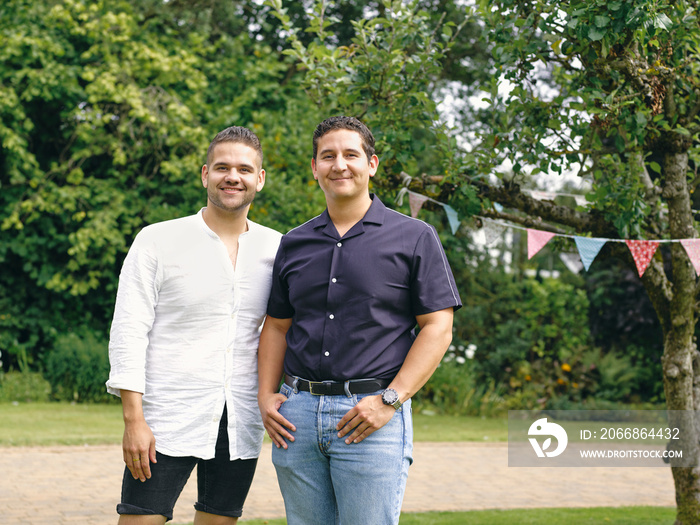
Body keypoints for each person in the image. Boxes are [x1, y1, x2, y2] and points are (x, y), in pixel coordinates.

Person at [257, 116, 462, 525]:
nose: (340, 165)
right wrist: (265, 396)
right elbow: (277, 326)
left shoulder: (414, 236)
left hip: (371, 416)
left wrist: (390, 400)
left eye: (351, 154)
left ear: (372, 164)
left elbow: (438, 327)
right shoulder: (294, 243)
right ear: (314, 167)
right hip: (295, 420)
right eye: (327, 156)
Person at [106, 126, 281, 525]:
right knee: (140, 520)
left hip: (240, 421)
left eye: (243, 168)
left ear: (260, 178)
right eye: (222, 167)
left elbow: (282, 330)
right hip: (166, 417)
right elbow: (129, 331)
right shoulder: (157, 240)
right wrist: (134, 420)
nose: (232, 176)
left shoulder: (278, 249)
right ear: (205, 174)